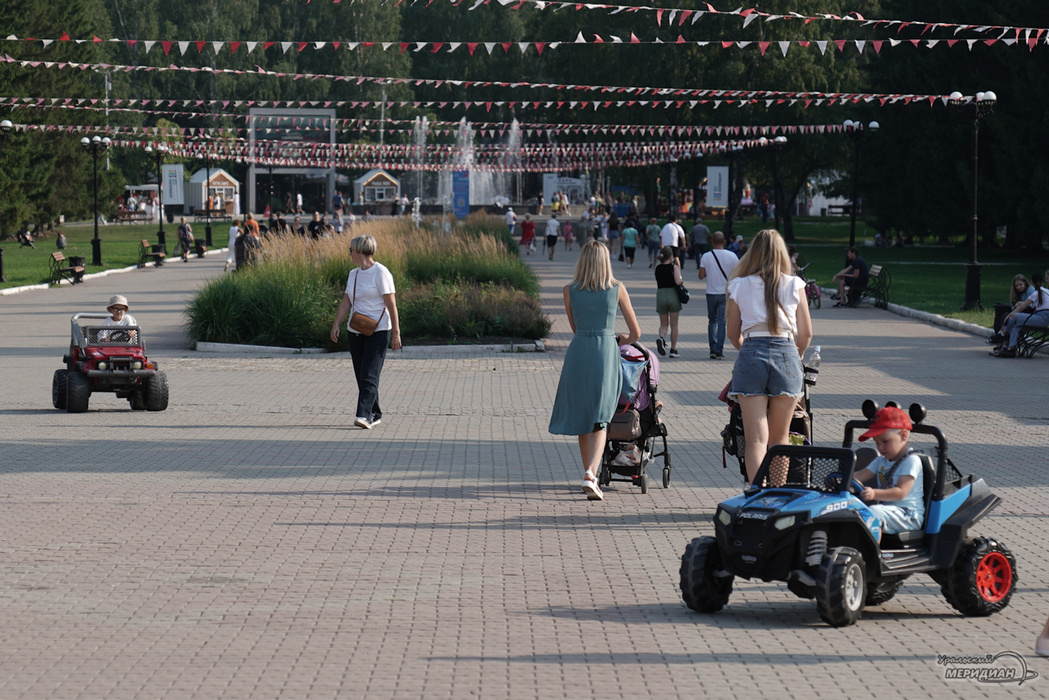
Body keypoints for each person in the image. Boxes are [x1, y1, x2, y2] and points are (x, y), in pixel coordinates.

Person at [548, 241, 641, 501]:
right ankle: (591, 474)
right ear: (606, 262)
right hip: (605, 352)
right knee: (601, 417)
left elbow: (575, 328)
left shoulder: (569, 290)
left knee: (583, 417)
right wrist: (619, 339)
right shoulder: (617, 288)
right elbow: (636, 333)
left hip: (579, 352)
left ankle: (589, 473)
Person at [726, 229, 813, 483]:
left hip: (752, 350)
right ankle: (776, 492)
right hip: (786, 352)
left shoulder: (739, 284)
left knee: (755, 439)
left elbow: (732, 333)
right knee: (780, 438)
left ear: (754, 253)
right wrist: (795, 356)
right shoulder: (795, 285)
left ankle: (757, 495)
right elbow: (806, 334)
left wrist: (748, 353)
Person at [330, 234, 402, 429]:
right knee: (362, 375)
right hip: (355, 330)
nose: (350, 254)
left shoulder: (381, 273)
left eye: (351, 250)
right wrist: (336, 324)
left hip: (379, 331)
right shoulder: (353, 274)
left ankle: (363, 415)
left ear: (360, 250)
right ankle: (375, 413)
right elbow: (346, 303)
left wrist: (396, 333)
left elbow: (391, 305)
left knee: (370, 374)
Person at [853, 406, 925, 539]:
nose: (880, 448)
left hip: (908, 515)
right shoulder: (881, 460)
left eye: (885, 441)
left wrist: (874, 494)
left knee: (873, 513)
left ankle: (870, 550)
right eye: (876, 443)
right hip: (888, 511)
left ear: (904, 435)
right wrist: (842, 479)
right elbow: (859, 476)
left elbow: (901, 492)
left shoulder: (911, 461)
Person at [699, 232, 739, 360]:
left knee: (712, 320)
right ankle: (719, 351)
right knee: (722, 322)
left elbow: (701, 276)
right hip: (726, 293)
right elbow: (738, 274)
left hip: (711, 293)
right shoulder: (732, 256)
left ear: (712, 242)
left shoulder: (706, 256)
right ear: (724, 242)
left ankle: (712, 348)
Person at [992, 272, 1049, 357]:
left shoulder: (1035, 293)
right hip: (1044, 320)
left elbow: (1022, 307)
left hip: (1040, 319)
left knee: (1013, 316)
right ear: (1042, 282)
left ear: (1031, 282)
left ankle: (1002, 333)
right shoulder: (1046, 291)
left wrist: (1010, 314)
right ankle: (1010, 349)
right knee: (1016, 326)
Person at [654, 246, 683, 358]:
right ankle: (673, 349)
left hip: (661, 295)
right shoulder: (674, 267)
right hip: (673, 295)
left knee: (663, 324)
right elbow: (678, 281)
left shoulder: (657, 268)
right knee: (674, 324)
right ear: (671, 257)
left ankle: (661, 338)